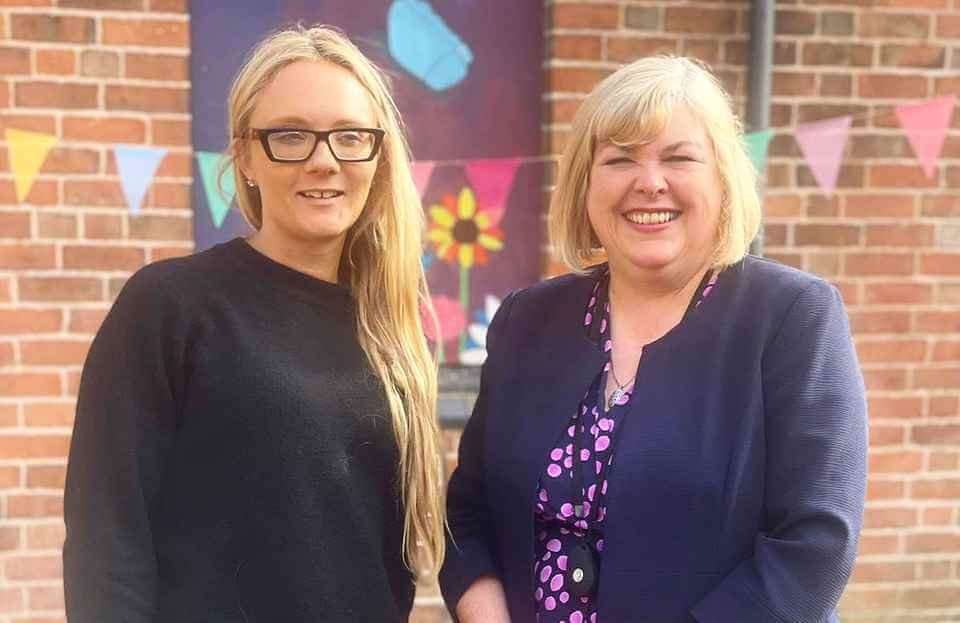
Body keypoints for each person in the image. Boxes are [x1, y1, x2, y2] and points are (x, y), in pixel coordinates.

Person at [440, 56, 868, 623]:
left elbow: (814, 547)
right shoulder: (527, 321)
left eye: (678, 158)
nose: (648, 182)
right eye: (619, 159)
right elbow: (468, 514)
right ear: (586, 185)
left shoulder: (792, 318)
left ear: (722, 178)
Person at [63, 25, 444, 622]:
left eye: (350, 137)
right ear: (244, 155)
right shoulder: (171, 306)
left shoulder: (394, 329)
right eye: (290, 136)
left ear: (378, 155)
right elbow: (105, 538)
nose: (325, 161)